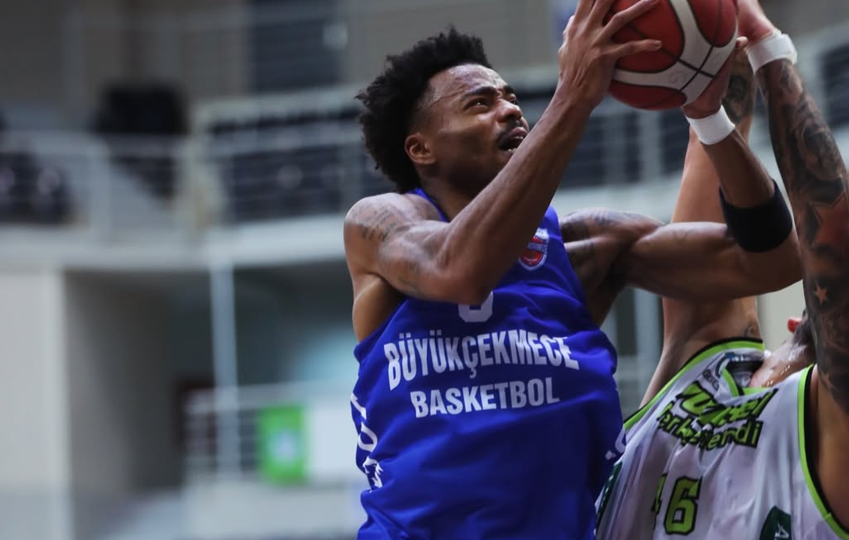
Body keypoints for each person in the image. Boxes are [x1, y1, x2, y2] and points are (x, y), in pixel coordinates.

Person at [343, 0, 801, 537]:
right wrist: (575, 94)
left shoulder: (584, 246)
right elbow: (459, 272)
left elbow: (772, 262)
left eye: (511, 98)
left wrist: (709, 118)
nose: (509, 110)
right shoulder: (382, 225)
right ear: (421, 148)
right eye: (480, 103)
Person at [594, 1, 849, 538]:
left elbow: (837, 241)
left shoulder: (848, 430)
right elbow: (710, 141)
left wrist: (773, 49)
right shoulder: (707, 352)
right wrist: (728, 34)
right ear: (795, 321)